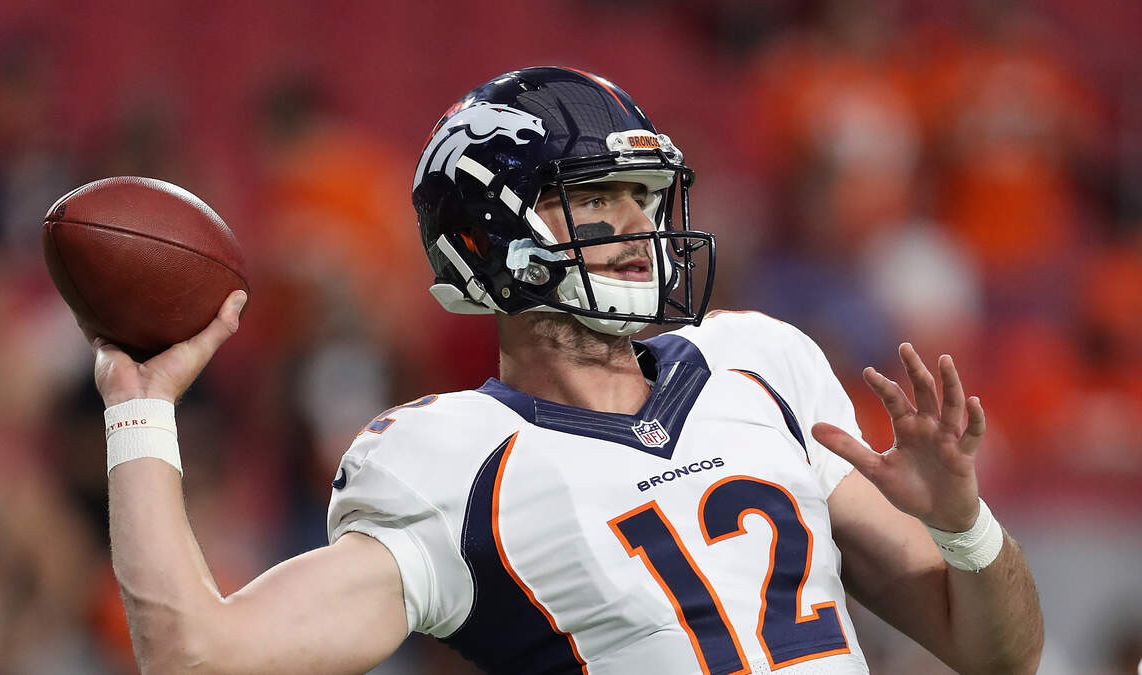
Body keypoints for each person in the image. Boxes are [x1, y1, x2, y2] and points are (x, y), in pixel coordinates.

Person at [88, 67, 1043, 674]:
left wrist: (963, 526)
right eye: (596, 199)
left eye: (646, 195)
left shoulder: (761, 364)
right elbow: (196, 653)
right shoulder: (447, 462)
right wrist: (140, 411)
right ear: (490, 233)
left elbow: (1000, 651)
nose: (638, 227)